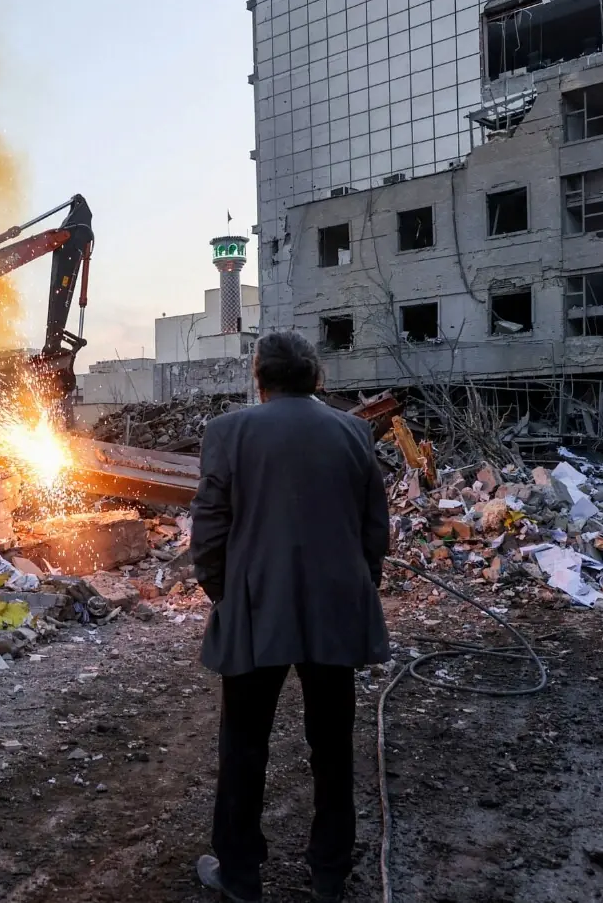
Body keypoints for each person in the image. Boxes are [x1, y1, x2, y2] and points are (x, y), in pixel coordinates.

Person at [189, 330, 391, 903]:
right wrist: (355, 589)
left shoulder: (229, 431)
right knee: (332, 747)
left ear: (260, 376)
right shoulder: (354, 430)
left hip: (257, 610)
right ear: (315, 376)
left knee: (244, 745)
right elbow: (375, 527)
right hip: (335, 610)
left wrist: (224, 594)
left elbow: (209, 528)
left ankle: (241, 874)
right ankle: (329, 875)